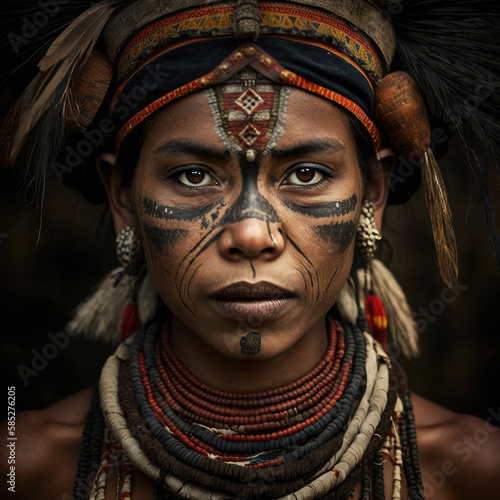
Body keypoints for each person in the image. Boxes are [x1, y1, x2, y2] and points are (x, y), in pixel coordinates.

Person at [1, 1, 500, 499]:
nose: (252, 235)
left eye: (306, 174)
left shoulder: (477, 473)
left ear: (373, 192)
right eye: (193, 176)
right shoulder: (22, 468)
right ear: (123, 197)